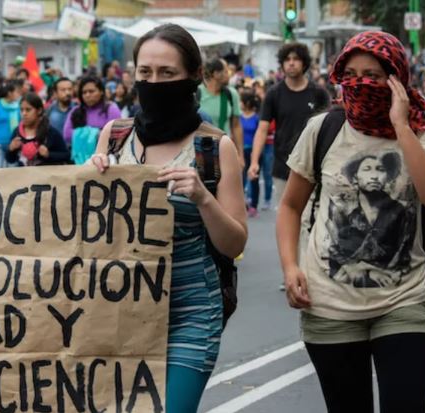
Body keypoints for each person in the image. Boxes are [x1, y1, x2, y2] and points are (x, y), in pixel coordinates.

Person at [277, 31, 425, 413]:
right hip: (328, 307)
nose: (360, 84)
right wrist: (290, 267)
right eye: (351, 74)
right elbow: (290, 206)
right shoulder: (323, 128)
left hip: (402, 301)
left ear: (397, 79)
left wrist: (402, 126)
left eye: (373, 74)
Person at [90, 23, 247, 413]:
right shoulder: (114, 136)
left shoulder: (213, 147)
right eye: (145, 73)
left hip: (190, 311)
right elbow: (85, 230)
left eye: (167, 74)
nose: (154, 82)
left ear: (192, 77)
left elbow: (235, 242)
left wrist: (203, 198)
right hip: (120, 310)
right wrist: (88, 182)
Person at [248, 42, 330, 210]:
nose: (291, 63)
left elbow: (329, 129)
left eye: (296, 59)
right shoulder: (274, 93)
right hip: (283, 166)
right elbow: (262, 129)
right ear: (282, 64)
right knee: (286, 219)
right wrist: (254, 161)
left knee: (311, 222)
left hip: (313, 167)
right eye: (287, 59)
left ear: (304, 63)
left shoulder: (318, 93)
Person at [63, 76, 121, 165]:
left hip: (105, 162)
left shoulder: (111, 109)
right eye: (84, 92)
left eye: (91, 91)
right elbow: (67, 135)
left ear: (101, 92)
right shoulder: (75, 111)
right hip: (79, 163)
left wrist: (93, 134)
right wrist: (95, 133)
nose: (87, 95)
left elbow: (117, 134)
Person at [198, 58, 245, 165]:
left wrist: (240, 155)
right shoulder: (198, 93)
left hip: (223, 152)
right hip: (200, 153)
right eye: (226, 71)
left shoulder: (231, 94)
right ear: (216, 74)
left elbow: (236, 126)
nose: (229, 74)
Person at [5, 92, 69, 166]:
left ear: (39, 111)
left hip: (45, 176)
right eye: (21, 110)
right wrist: (11, 149)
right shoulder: (17, 132)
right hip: (24, 176)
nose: (24, 113)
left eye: (28, 110)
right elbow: (10, 160)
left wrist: (48, 154)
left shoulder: (50, 132)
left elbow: (66, 155)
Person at [240, 91, 261, 217]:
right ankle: (242, 204)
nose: (240, 104)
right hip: (241, 152)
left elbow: (259, 136)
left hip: (253, 152)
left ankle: (254, 205)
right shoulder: (238, 117)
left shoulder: (257, 118)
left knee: (254, 179)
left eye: (241, 101)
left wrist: (256, 154)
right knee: (240, 179)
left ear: (247, 103)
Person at [45, 77, 75, 144]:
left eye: (70, 89)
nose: (67, 92)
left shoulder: (78, 109)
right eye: (63, 90)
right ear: (55, 93)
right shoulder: (49, 110)